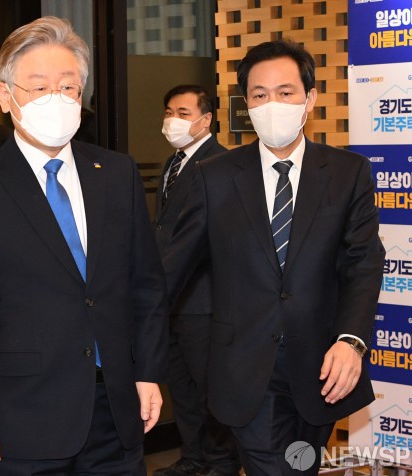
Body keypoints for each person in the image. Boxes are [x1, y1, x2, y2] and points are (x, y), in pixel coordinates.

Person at [0, 16, 168, 475]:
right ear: (6, 97)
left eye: (68, 87)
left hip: (116, 410)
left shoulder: (116, 173)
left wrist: (147, 371)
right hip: (21, 417)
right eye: (39, 88)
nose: (56, 99)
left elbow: (146, 286)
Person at [161, 40, 385, 476]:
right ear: (247, 104)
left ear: (310, 98)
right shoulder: (214, 177)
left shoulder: (347, 172)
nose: (272, 104)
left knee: (300, 464)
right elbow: (171, 270)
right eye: (260, 95)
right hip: (245, 370)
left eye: (285, 93)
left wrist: (351, 340)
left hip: (321, 368)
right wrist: (135, 352)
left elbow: (363, 263)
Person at [153, 85, 240, 476]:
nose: (173, 120)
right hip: (172, 299)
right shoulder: (172, 164)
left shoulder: (221, 164)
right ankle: (193, 457)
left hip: (204, 300)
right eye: (169, 112)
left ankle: (221, 462)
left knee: (209, 389)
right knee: (182, 388)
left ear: (206, 120)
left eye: (183, 113)